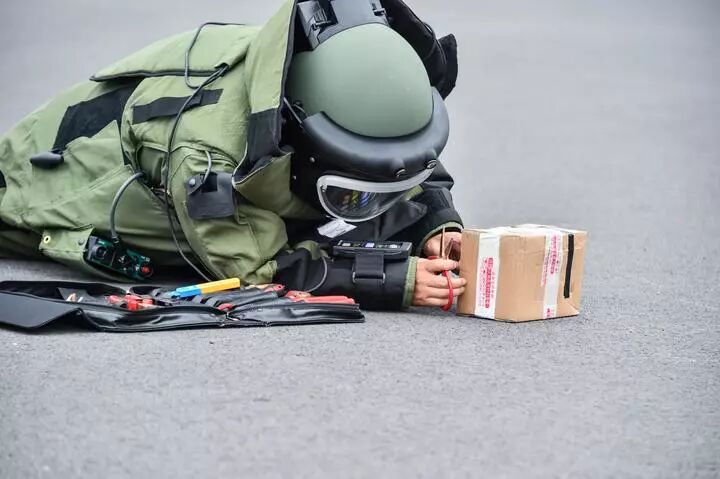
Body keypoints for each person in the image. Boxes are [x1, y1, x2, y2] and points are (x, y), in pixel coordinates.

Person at [0, 0, 466, 310]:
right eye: (353, 190)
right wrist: (395, 279)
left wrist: (436, 224)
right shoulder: (208, 161)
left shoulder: (304, 67)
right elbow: (256, 270)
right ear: (308, 146)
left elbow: (397, 156)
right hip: (36, 184)